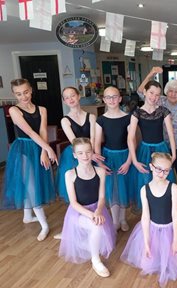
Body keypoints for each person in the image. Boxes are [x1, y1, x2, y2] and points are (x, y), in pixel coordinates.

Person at [120, 152, 177, 286]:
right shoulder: (144, 190)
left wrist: (175, 240)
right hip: (153, 229)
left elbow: (176, 215)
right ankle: (158, 252)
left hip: (170, 228)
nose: (162, 174)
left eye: (166, 171)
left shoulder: (173, 188)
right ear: (151, 167)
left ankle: (167, 252)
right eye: (158, 169)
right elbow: (145, 216)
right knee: (145, 265)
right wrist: (146, 241)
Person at [1, 78, 57, 241]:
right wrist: (48, 148)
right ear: (14, 94)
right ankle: (44, 224)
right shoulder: (14, 110)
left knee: (34, 181)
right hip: (23, 149)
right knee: (31, 185)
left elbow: (42, 131)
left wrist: (44, 151)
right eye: (18, 94)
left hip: (38, 148)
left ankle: (27, 216)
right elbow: (31, 132)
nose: (23, 96)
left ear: (31, 90)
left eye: (25, 92)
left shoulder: (42, 109)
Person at [137, 66, 177, 213]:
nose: (173, 94)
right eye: (170, 90)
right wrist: (151, 73)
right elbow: (141, 91)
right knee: (163, 176)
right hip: (162, 147)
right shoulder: (159, 100)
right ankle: (165, 204)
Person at [59, 137, 115, 278]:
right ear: (74, 155)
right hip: (78, 213)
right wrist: (92, 216)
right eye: (80, 153)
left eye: (88, 152)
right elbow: (74, 203)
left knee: (97, 231)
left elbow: (102, 197)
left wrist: (97, 211)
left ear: (92, 153)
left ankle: (79, 241)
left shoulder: (100, 172)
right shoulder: (70, 174)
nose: (85, 156)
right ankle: (95, 261)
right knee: (96, 226)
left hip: (97, 208)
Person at [127, 80, 176, 211]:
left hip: (161, 150)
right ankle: (148, 214)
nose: (154, 97)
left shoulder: (163, 111)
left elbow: (171, 134)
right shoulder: (137, 113)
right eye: (151, 93)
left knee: (163, 181)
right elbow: (130, 137)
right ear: (144, 92)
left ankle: (162, 211)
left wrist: (174, 154)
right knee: (145, 181)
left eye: (157, 95)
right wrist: (135, 160)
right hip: (144, 151)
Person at [56, 87, 103, 203]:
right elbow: (74, 141)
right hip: (75, 154)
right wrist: (86, 155)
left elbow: (93, 137)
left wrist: (91, 154)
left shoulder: (91, 116)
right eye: (66, 97)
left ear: (78, 96)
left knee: (95, 185)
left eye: (72, 95)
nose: (70, 99)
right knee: (78, 189)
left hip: (90, 150)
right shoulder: (65, 120)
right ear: (64, 101)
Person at [95, 87, 132, 232]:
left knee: (124, 187)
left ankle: (123, 219)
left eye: (114, 97)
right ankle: (115, 220)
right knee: (113, 189)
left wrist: (129, 161)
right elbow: (97, 143)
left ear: (120, 98)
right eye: (108, 97)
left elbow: (132, 142)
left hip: (124, 156)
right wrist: (100, 163)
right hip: (108, 157)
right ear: (104, 100)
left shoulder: (128, 118)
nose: (112, 100)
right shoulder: (101, 120)